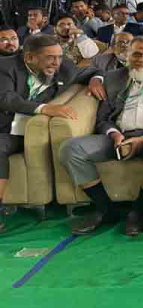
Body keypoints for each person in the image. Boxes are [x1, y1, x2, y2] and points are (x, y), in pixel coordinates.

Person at [60, 36, 143, 236]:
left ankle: (139, 211)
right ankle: (105, 209)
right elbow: (103, 118)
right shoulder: (114, 77)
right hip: (120, 136)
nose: (142, 59)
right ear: (128, 56)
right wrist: (114, 135)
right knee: (70, 149)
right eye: (136, 54)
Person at [0, 35, 105, 232]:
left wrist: (95, 81)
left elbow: (94, 71)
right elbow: (6, 99)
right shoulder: (5, 67)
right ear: (29, 57)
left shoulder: (64, 68)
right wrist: (45, 108)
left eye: (59, 56)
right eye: (50, 57)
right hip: (5, 126)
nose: (57, 63)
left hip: (30, 133)